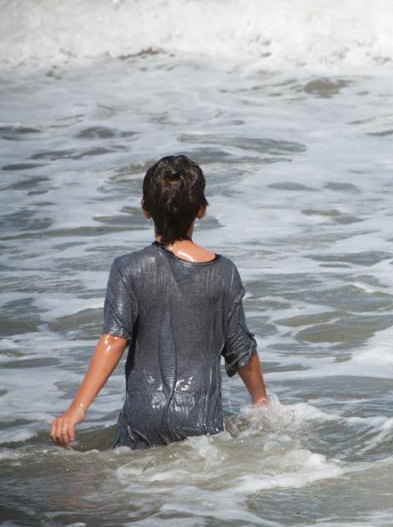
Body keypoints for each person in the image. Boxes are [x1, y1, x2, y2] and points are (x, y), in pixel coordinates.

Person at [50, 155, 268, 449]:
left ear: (145, 209)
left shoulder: (128, 268)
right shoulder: (224, 272)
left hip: (143, 417)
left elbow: (113, 339)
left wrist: (77, 410)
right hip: (198, 418)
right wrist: (261, 401)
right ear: (201, 210)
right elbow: (240, 347)